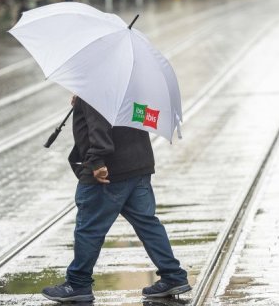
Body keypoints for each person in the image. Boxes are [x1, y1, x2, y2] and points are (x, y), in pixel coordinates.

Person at [42, 96, 190, 303]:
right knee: (147, 224)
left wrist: (96, 160)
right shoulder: (131, 81)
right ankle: (173, 275)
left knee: (89, 228)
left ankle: (77, 283)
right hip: (138, 162)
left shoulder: (96, 85)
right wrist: (83, 101)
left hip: (109, 171)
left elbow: (99, 121)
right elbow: (139, 113)